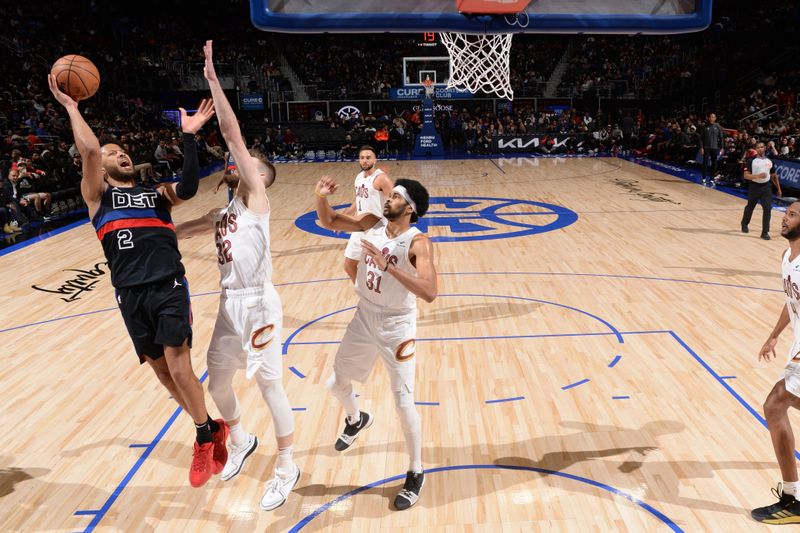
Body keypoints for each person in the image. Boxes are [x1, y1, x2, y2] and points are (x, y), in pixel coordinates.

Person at [46, 74, 228, 489]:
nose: (121, 154)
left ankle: (203, 436)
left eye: (124, 150)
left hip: (168, 286)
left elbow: (189, 186)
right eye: (114, 153)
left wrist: (188, 138)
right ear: (101, 167)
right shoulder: (97, 196)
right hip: (129, 296)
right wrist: (72, 106)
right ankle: (212, 426)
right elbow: (90, 148)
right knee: (163, 375)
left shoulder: (155, 194)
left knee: (180, 368)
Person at [175, 40, 299, 511]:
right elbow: (176, 230)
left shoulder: (256, 200)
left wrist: (212, 78)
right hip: (229, 304)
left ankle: (288, 466)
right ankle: (242, 438)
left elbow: (231, 134)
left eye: (250, 165)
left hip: (258, 302)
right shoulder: (222, 211)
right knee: (218, 384)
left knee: (270, 386)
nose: (239, 164)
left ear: (260, 177)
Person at [314, 174, 437, 510]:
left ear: (409, 208)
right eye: (390, 194)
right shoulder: (371, 222)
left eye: (396, 196)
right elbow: (328, 220)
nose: (389, 199)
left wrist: (390, 267)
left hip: (397, 326)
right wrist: (321, 196)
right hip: (364, 316)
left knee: (402, 402)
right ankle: (356, 419)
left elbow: (429, 292)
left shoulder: (418, 242)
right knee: (336, 382)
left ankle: (415, 470)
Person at [752, 201, 800, 524]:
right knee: (779, 406)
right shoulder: (786, 257)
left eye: (793, 215)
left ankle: (793, 499)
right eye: (786, 213)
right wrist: (774, 335)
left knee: (774, 405)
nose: (785, 218)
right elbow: (791, 300)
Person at [342, 145, 394, 284]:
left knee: (379, 269)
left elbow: (394, 202)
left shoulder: (381, 179)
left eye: (368, 158)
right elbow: (359, 198)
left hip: (377, 229)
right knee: (349, 266)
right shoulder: (359, 177)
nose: (365, 160)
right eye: (362, 158)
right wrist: (348, 213)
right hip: (360, 228)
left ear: (375, 159)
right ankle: (363, 293)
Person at [741, 141, 782, 240]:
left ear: (764, 148)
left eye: (762, 147)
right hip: (754, 186)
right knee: (750, 207)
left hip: (766, 187)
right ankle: (744, 223)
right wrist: (757, 176)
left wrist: (778, 189)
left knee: (767, 209)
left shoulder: (769, 161)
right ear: (755, 149)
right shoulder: (751, 161)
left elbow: (773, 175)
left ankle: (765, 232)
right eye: (758, 147)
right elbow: (745, 175)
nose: (760, 149)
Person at [701, 112, 723, 186]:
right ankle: (703, 178)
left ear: (715, 118)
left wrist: (722, 148)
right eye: (711, 117)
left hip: (715, 148)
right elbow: (701, 138)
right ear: (708, 118)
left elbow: (721, 138)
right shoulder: (705, 126)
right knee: (705, 163)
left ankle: (712, 178)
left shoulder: (718, 126)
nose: (712, 118)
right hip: (706, 148)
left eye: (713, 117)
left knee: (714, 164)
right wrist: (701, 148)